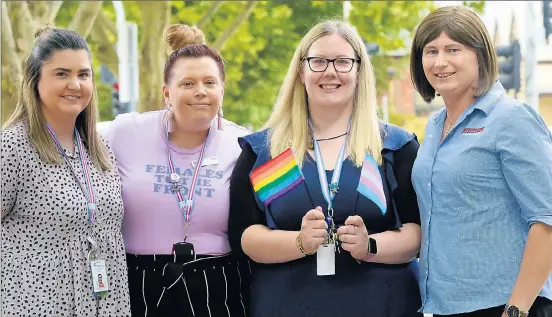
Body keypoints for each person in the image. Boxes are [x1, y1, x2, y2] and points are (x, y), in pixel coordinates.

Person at [228, 19, 422, 317]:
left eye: (343, 62)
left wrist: (369, 245)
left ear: (359, 72)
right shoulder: (264, 152)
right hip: (287, 306)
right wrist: (299, 242)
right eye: (318, 61)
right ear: (301, 71)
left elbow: (418, 233)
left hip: (383, 306)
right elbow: (243, 237)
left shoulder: (394, 147)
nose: (330, 71)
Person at [410, 6, 552, 317]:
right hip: (442, 307)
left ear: (480, 55)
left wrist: (515, 311)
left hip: (507, 305)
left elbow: (547, 221)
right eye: (430, 51)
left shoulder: (512, 119)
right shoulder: (434, 126)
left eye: (453, 49)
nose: (440, 62)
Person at [101, 24, 251, 317]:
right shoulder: (125, 131)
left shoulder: (243, 144)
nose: (200, 92)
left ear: (222, 89)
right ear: (167, 93)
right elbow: (66, 142)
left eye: (210, 83)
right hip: (136, 283)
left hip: (216, 284)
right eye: (187, 84)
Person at [1, 26, 131, 316]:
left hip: (106, 304)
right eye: (62, 74)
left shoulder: (99, 148)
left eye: (83, 75)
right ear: (35, 80)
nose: (75, 84)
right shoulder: (12, 146)